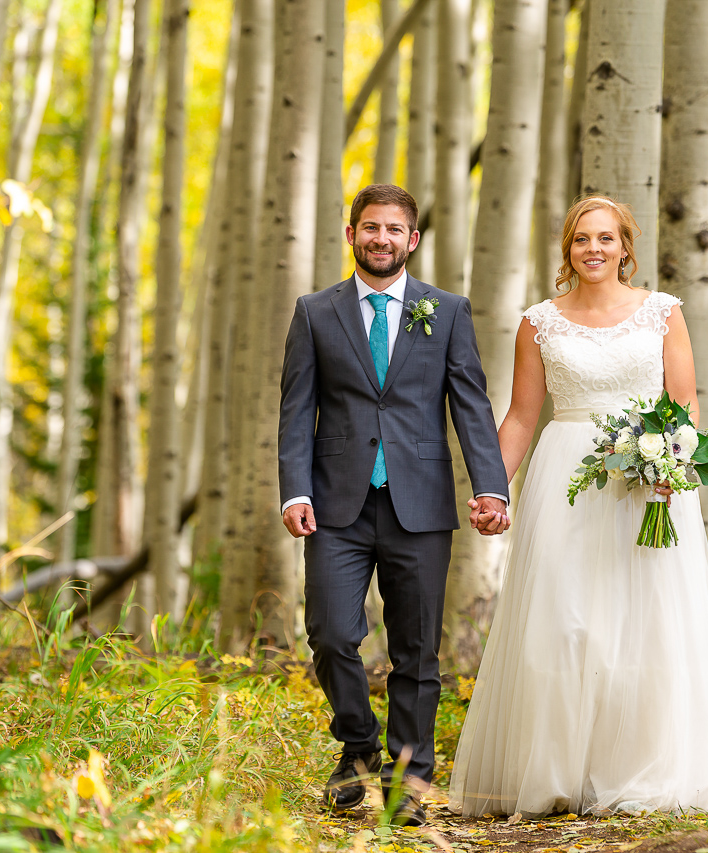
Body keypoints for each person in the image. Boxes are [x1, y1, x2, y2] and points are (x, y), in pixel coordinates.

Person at [448, 195, 708, 818]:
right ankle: (559, 771)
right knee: (564, 623)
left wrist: (673, 462)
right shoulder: (540, 322)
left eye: (606, 239)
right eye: (582, 239)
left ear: (625, 248)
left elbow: (684, 405)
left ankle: (641, 771)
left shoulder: (662, 313)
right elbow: (523, 417)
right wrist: (491, 488)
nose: (594, 249)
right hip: (566, 480)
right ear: (567, 248)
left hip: (647, 479)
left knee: (646, 626)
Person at [278, 184, 512, 827]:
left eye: (394, 230)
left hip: (421, 504)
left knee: (416, 649)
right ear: (351, 234)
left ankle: (412, 775)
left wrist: (490, 485)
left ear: (413, 240)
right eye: (370, 227)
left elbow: (470, 402)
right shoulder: (314, 312)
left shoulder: (447, 310)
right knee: (329, 633)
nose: (381, 238)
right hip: (335, 506)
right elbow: (297, 409)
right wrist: (294, 489)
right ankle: (357, 749)